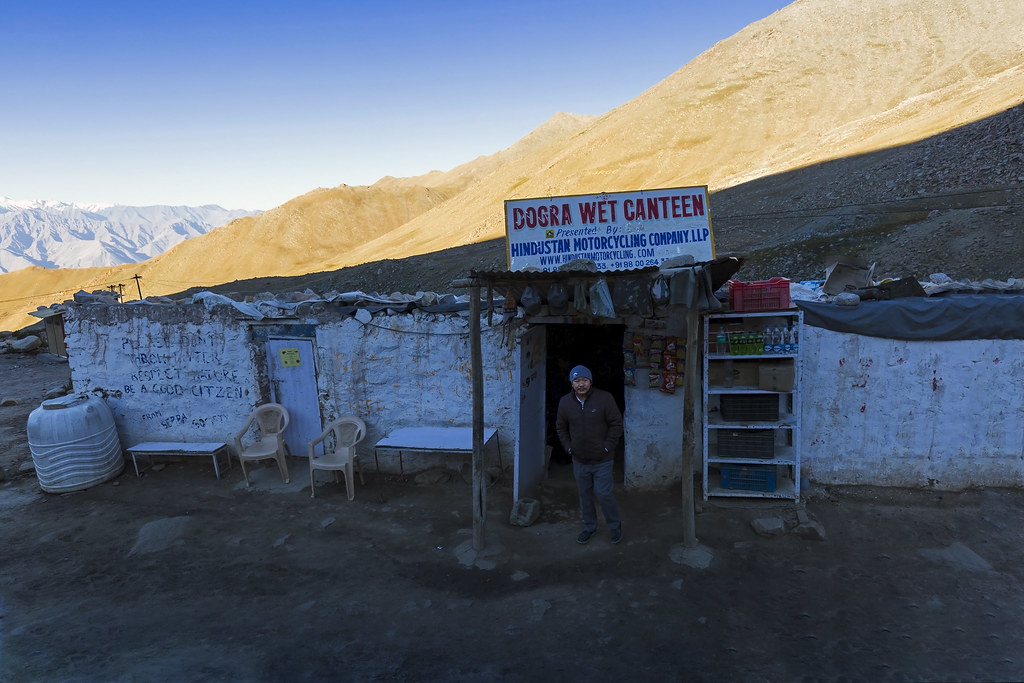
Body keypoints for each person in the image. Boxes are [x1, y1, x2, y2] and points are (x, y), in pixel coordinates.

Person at [556, 364, 624, 545]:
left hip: (603, 459)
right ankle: (589, 527)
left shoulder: (604, 399)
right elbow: (561, 427)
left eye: (584, 380)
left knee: (604, 494)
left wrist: (607, 447)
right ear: (571, 383)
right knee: (584, 495)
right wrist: (568, 447)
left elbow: (616, 424)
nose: (581, 384)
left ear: (590, 382)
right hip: (579, 460)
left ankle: (615, 526)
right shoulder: (565, 403)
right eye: (577, 381)